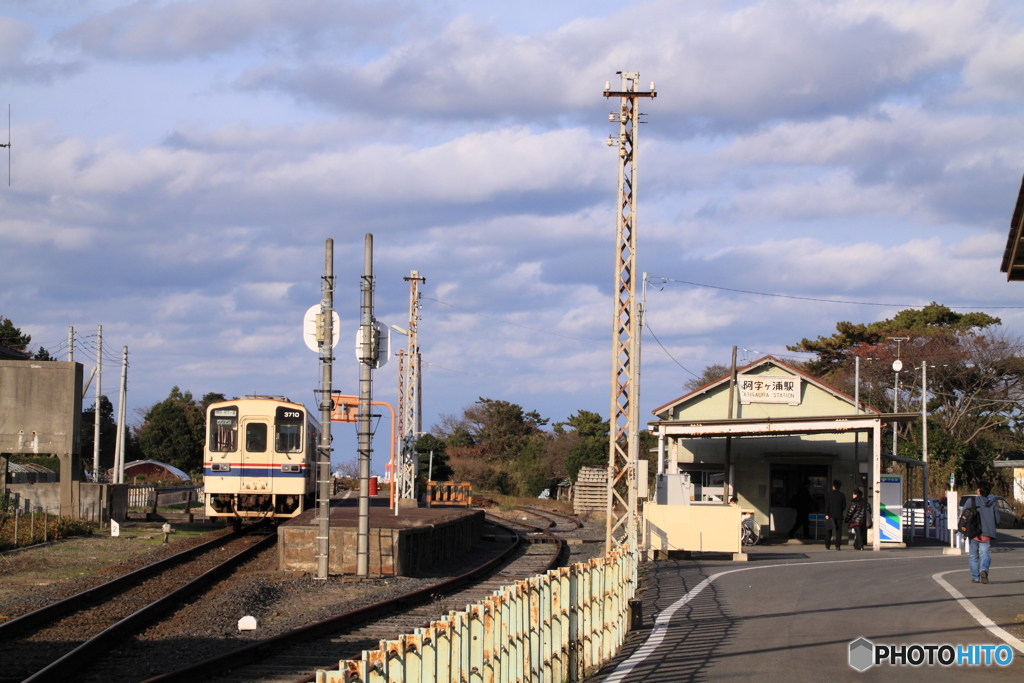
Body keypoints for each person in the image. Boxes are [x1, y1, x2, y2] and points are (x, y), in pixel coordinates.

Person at [965, 483, 998, 584]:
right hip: (987, 534)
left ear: (979, 491)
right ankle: (983, 569)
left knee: (973, 556)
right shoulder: (992, 504)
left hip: (974, 533)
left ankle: (975, 577)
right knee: (985, 555)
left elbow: (964, 515)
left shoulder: (971, 501)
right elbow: (998, 519)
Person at [824, 479, 846, 550]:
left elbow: (827, 504)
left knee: (829, 530)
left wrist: (826, 513)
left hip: (830, 514)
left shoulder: (828, 494)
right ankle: (838, 545)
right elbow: (844, 506)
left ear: (833, 486)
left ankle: (827, 545)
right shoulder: (842, 495)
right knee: (838, 531)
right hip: (839, 514)